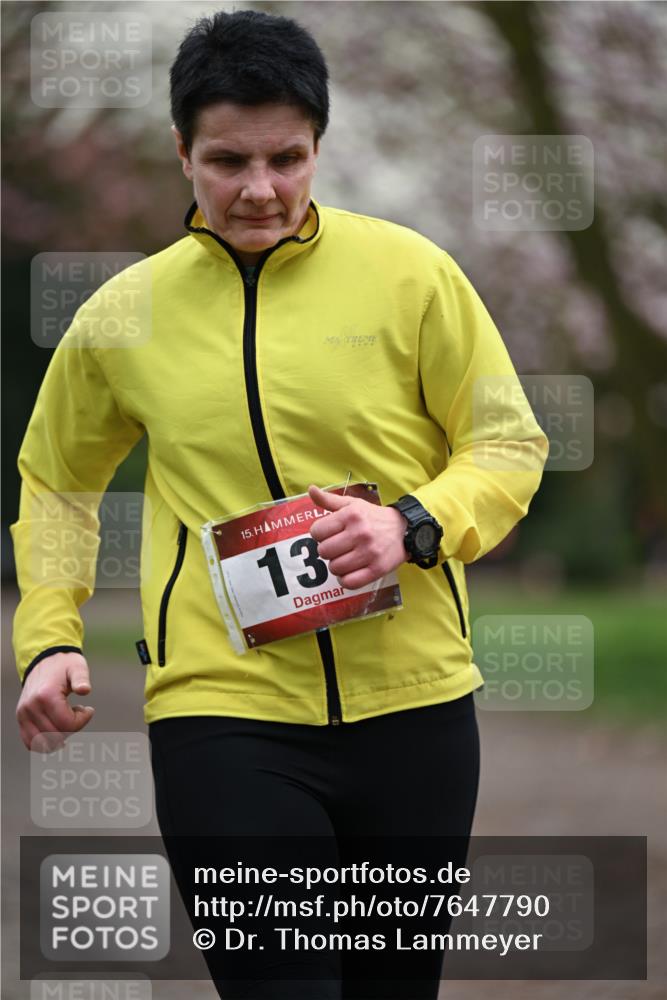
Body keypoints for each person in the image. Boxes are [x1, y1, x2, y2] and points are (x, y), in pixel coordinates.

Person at [12, 9, 548, 999]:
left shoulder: (412, 275)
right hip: (223, 712)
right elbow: (56, 479)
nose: (258, 189)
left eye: (285, 159)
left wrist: (413, 522)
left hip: (414, 711)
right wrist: (49, 637)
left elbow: (509, 442)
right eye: (226, 160)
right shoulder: (123, 313)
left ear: (317, 147)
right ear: (181, 151)